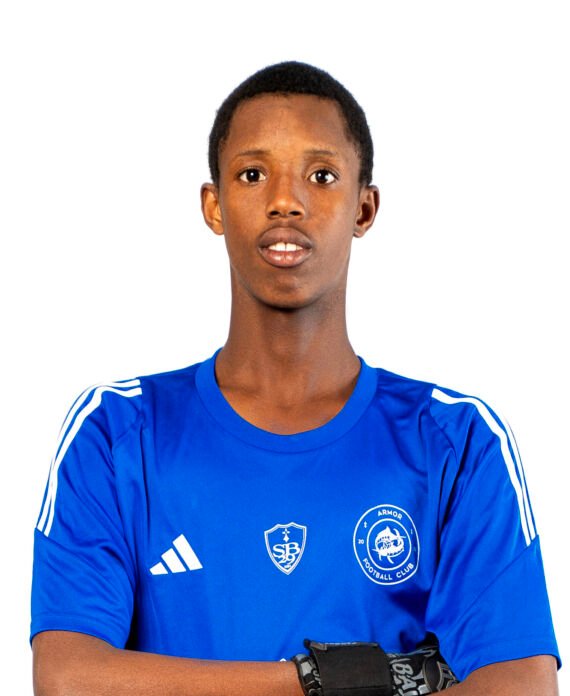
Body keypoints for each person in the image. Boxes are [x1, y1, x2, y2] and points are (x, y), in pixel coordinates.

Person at [31, 61, 559, 695]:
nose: (286, 200)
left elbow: (523, 684)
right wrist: (330, 679)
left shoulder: (455, 440)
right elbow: (67, 680)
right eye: (253, 175)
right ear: (214, 205)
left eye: (322, 175)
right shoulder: (118, 432)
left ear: (364, 207)